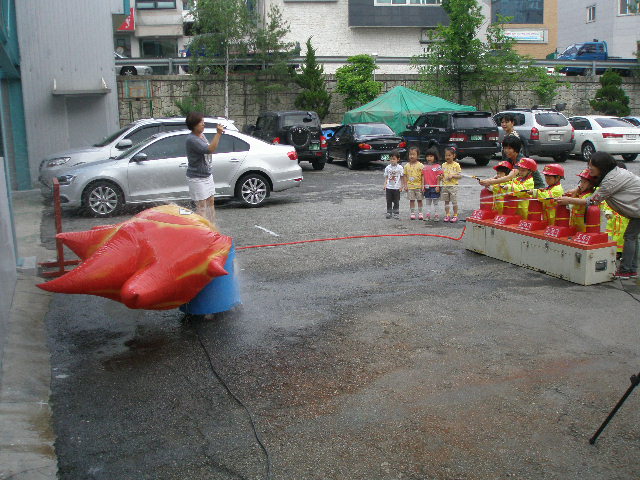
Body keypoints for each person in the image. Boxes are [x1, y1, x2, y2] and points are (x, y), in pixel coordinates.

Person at [557, 152, 640, 278]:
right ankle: (631, 269)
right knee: (632, 237)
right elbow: (594, 183)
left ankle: (626, 270)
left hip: (637, 209)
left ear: (601, 166)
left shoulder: (611, 180)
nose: (589, 168)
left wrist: (568, 200)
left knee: (630, 237)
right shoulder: (612, 173)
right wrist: (577, 189)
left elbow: (592, 201)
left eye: (592, 166)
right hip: (636, 209)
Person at [185, 112, 225, 224]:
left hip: (207, 175)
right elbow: (210, 149)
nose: (203, 124)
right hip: (196, 178)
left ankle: (212, 227)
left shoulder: (201, 135)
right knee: (201, 206)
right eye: (201, 122)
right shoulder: (192, 139)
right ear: (194, 125)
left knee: (211, 202)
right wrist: (218, 134)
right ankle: (202, 230)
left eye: (203, 121)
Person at [480, 136, 545, 190]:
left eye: (509, 148)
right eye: (505, 148)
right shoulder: (509, 158)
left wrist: (490, 182)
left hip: (534, 188)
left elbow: (509, 177)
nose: (506, 151)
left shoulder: (521, 160)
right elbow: (501, 172)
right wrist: (489, 180)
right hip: (520, 186)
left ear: (516, 149)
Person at [565, 168, 598, 232]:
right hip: (576, 224)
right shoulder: (581, 193)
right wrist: (576, 190)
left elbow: (573, 205)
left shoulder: (589, 196)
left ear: (592, 184)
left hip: (583, 227)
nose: (581, 184)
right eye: (581, 181)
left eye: (584, 182)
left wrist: (570, 199)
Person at [441, 146, 462, 222]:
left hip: (453, 186)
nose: (447, 157)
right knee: (446, 201)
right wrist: (440, 177)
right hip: (445, 186)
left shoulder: (456, 165)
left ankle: (455, 215)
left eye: (449, 155)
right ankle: (447, 215)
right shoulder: (443, 165)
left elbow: (460, 176)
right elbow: (442, 175)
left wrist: (453, 176)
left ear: (454, 156)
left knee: (454, 201)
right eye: (446, 155)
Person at [403, 146, 425, 220]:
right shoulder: (406, 166)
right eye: (410, 154)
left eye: (413, 154)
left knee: (419, 200)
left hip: (418, 186)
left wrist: (423, 185)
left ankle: (420, 213)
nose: (411, 156)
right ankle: (412, 213)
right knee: (411, 200)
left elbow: (423, 176)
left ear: (418, 156)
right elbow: (405, 176)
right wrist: (405, 185)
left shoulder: (421, 165)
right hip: (410, 187)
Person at [422, 148, 443, 221]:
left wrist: (438, 186)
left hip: (435, 187)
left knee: (435, 202)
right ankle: (428, 215)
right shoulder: (424, 167)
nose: (429, 158)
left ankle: (436, 215)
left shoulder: (438, 166)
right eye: (428, 156)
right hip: (427, 187)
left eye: (431, 156)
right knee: (428, 202)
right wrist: (423, 186)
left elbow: (439, 177)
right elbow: (423, 177)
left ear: (435, 157)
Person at [383, 150, 404, 219]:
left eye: (394, 159)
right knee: (388, 200)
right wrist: (385, 184)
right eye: (391, 159)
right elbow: (386, 177)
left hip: (396, 187)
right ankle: (389, 212)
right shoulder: (387, 167)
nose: (392, 160)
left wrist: (402, 186)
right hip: (389, 187)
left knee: (396, 201)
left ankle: (396, 213)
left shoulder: (400, 168)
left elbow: (402, 177)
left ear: (398, 159)